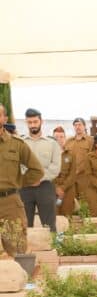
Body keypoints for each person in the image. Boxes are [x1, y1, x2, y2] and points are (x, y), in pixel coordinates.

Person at [0, 106, 44, 256]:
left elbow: (37, 171)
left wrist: (18, 182)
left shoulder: (16, 144)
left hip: (10, 205)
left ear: (4, 119)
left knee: (18, 251)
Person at [20, 108, 61, 232]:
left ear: (41, 121)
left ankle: (53, 244)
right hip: (25, 187)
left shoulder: (52, 143)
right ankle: (25, 246)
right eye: (30, 122)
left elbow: (55, 167)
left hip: (45, 187)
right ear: (26, 122)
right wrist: (30, 179)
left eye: (35, 122)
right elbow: (18, 165)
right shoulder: (20, 142)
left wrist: (39, 178)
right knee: (23, 225)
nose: (32, 125)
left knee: (49, 226)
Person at [65, 117, 94, 213]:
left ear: (84, 126)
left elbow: (93, 158)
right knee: (70, 202)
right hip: (70, 178)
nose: (78, 127)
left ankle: (86, 220)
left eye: (80, 125)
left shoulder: (90, 141)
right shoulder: (69, 141)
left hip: (84, 178)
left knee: (85, 203)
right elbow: (65, 158)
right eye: (75, 125)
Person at [52, 126, 76, 216]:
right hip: (52, 189)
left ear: (65, 138)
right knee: (53, 216)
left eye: (61, 137)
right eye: (56, 137)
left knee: (67, 216)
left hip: (68, 190)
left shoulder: (71, 154)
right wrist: (56, 188)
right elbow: (46, 173)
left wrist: (62, 188)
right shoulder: (48, 154)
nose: (59, 139)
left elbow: (73, 174)